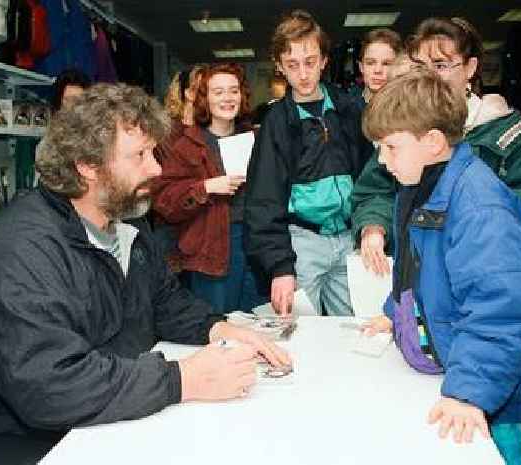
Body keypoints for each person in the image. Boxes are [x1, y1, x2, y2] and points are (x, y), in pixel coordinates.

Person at [0, 83, 291, 465]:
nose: (155, 169)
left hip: (62, 415)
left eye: (153, 153)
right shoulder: (21, 251)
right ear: (87, 166)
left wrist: (219, 328)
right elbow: (50, 386)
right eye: (139, 156)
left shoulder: (124, 228)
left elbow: (164, 302)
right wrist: (181, 381)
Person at [361, 69, 521, 464]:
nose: (383, 161)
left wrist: (469, 392)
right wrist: (395, 315)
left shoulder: (479, 207)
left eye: (390, 147)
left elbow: (504, 311)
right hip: (464, 367)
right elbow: (417, 272)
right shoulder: (419, 186)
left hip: (499, 391)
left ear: (433, 142)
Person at [352, 17, 521, 276]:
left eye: (441, 65)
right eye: (421, 66)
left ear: (470, 67)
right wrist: (373, 226)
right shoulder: (404, 127)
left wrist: (476, 228)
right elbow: (374, 190)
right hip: (417, 270)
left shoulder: (496, 126)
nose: (429, 76)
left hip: (482, 267)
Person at [244, 10, 373, 316]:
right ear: (279, 66)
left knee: (356, 328)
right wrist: (279, 266)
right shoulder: (275, 123)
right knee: (298, 334)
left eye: (310, 62)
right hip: (301, 243)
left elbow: (371, 178)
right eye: (292, 65)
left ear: (324, 60)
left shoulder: (350, 110)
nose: (303, 73)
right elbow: (263, 201)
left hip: (349, 237)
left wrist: (370, 227)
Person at [153, 63, 267, 313]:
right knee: (219, 328)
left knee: (260, 324)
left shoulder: (256, 139)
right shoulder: (188, 145)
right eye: (218, 92)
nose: (227, 98)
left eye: (233, 91)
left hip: (257, 245)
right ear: (205, 99)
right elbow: (164, 201)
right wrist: (205, 187)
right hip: (211, 250)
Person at [151, 65, 203, 265]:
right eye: (199, 88)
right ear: (186, 92)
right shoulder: (165, 132)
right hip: (170, 226)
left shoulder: (210, 130)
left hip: (202, 224)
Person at [357, 28, 403, 110]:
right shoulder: (344, 108)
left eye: (386, 64)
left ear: (398, 67)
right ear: (361, 67)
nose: (378, 70)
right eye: (370, 63)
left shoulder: (410, 108)